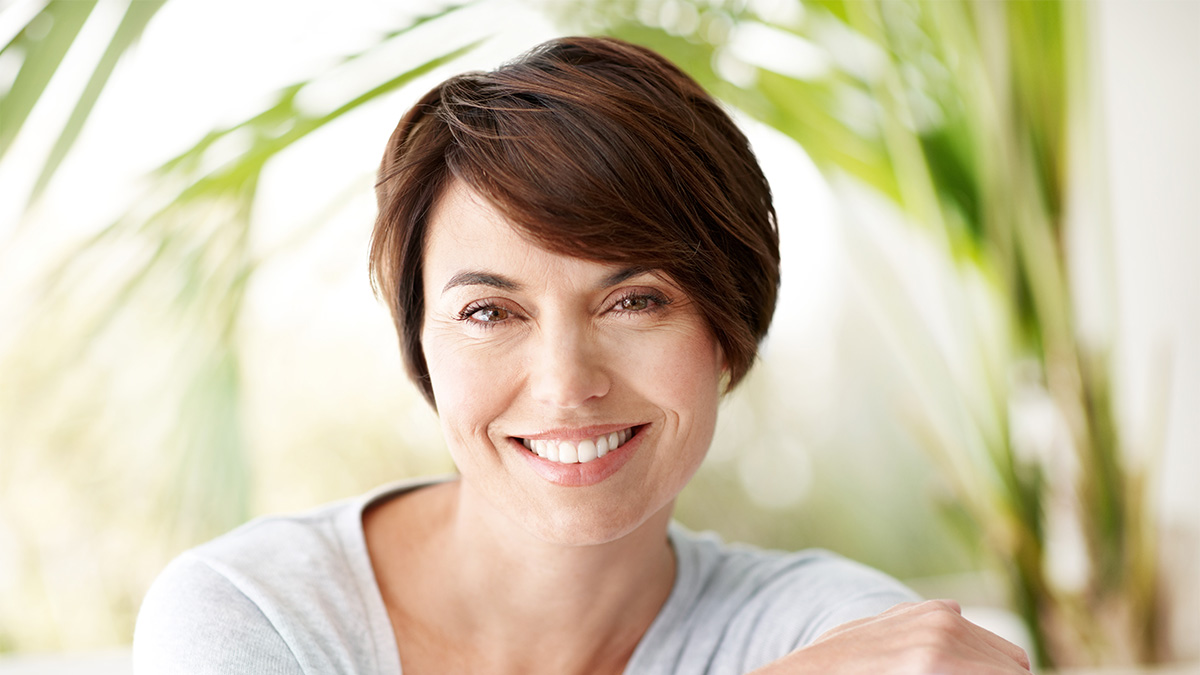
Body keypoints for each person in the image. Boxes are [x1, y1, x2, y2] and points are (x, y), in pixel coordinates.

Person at [133, 36, 1032, 674]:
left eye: (635, 300)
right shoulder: (255, 619)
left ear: (728, 326)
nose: (567, 384)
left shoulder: (837, 632)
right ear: (421, 343)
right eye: (490, 311)